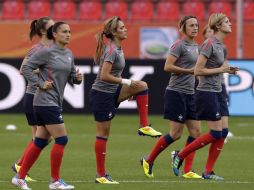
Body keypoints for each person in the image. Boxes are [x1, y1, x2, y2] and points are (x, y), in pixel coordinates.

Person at [89, 16, 162, 184]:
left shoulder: (118, 48)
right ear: (114, 32)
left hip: (113, 91)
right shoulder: (112, 50)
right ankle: (101, 175)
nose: (125, 29)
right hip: (102, 95)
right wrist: (126, 82)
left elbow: (114, 73)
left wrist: (127, 91)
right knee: (103, 135)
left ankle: (144, 126)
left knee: (141, 86)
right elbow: (104, 75)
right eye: (121, 28)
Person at [11, 22, 82, 190]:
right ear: (55, 34)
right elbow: (26, 68)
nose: (68, 34)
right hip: (44, 100)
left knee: (40, 141)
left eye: (70, 31)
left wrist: (77, 79)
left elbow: (72, 76)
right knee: (62, 139)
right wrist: (40, 83)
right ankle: (55, 181)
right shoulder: (46, 52)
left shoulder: (69, 54)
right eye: (64, 31)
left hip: (54, 101)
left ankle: (19, 177)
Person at [172, 13, 239, 180]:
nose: (230, 23)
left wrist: (228, 69)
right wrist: (221, 70)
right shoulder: (208, 44)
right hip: (207, 92)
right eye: (227, 21)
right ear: (218, 26)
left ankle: (208, 172)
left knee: (223, 133)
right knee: (216, 133)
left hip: (218, 91)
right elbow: (198, 71)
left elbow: (219, 67)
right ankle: (180, 155)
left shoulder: (221, 46)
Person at [141, 15, 202, 179]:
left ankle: (187, 170)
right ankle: (148, 159)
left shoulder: (196, 46)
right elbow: (167, 66)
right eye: (191, 25)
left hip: (190, 93)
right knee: (175, 134)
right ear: (183, 27)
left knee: (196, 132)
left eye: (196, 25)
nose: (195, 28)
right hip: (176, 93)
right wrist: (188, 71)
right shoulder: (178, 45)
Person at [11, 16, 54, 183]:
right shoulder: (37, 49)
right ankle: (21, 167)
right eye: (52, 26)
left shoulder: (49, 49)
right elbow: (23, 69)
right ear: (43, 31)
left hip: (39, 97)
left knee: (42, 137)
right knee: (44, 137)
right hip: (33, 96)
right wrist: (43, 72)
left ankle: (21, 166)